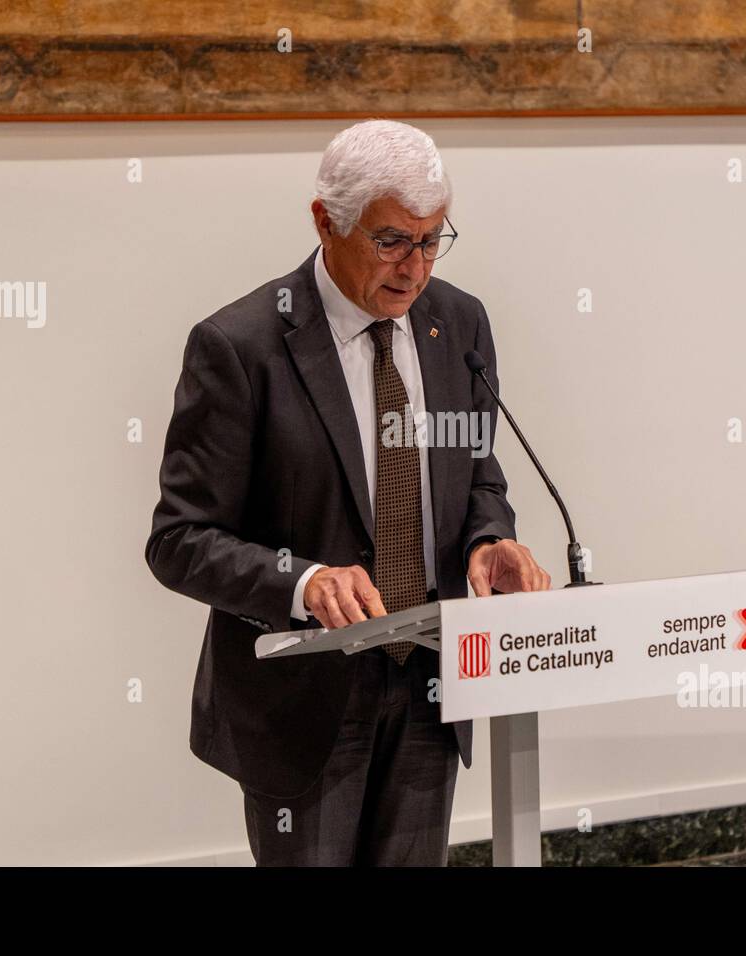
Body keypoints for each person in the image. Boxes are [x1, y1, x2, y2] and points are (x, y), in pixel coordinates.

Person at [145, 119, 550, 866]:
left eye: (433, 240)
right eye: (392, 241)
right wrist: (303, 580)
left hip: (430, 681)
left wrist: (489, 540)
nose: (415, 268)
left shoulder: (458, 324)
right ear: (325, 221)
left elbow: (477, 471)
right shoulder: (240, 348)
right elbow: (179, 540)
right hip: (305, 701)